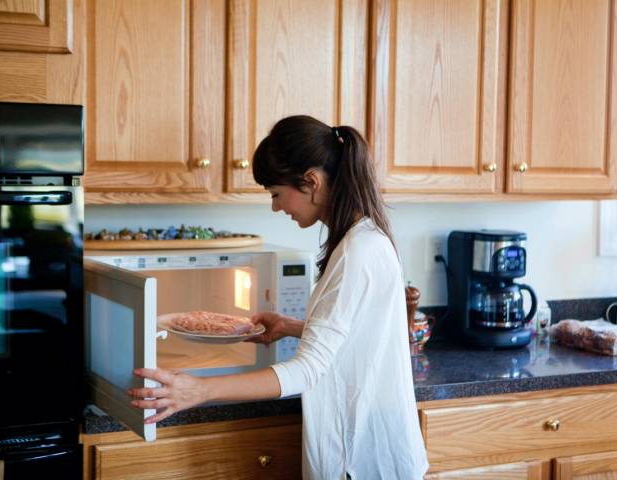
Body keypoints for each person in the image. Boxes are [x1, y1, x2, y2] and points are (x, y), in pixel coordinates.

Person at [128, 115, 429, 479]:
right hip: (367, 452)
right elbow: (358, 335)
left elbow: (307, 371)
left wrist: (199, 390)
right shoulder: (362, 239)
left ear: (311, 182)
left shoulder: (358, 251)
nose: (275, 207)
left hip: (362, 458)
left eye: (275, 194)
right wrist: (291, 326)